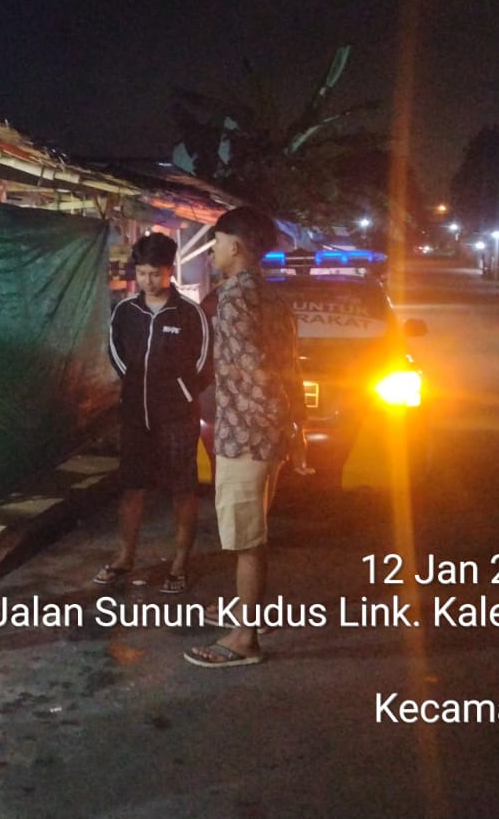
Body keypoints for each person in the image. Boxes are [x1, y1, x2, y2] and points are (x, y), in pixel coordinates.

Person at [185, 206, 307, 669]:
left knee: (246, 540)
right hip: (267, 438)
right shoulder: (273, 297)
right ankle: (246, 612)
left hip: (243, 437)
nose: (212, 251)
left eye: (216, 243)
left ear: (235, 247)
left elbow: (256, 372)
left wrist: (264, 420)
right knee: (252, 532)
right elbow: (292, 367)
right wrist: (294, 426)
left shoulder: (234, 301)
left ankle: (244, 639)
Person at [94, 232, 211, 594]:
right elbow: (115, 351)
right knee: (132, 487)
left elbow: (204, 363)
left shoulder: (190, 313)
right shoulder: (126, 312)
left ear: (169, 271)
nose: (148, 280)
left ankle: (179, 563)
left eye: (155, 273)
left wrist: (180, 393)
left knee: (182, 490)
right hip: (135, 416)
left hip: (178, 417)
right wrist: (133, 385)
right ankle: (124, 557)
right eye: (142, 273)